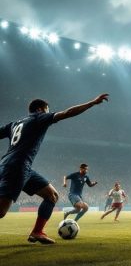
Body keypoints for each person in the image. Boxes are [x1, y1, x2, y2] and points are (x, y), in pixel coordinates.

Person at [0, 93, 108, 244]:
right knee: (1, 211)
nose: (48, 112)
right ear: (40, 109)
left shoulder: (14, 124)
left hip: (18, 166)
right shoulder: (39, 118)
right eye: (47, 109)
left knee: (52, 196)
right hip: (17, 167)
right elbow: (66, 113)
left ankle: (37, 232)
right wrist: (92, 103)